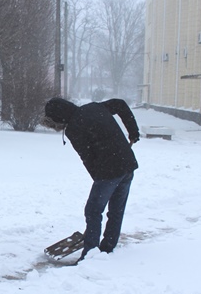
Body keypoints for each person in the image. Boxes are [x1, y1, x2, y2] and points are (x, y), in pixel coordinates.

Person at [43, 97, 140, 262]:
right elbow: (120, 104)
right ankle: (108, 248)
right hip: (127, 164)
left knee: (93, 211)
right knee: (116, 210)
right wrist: (133, 132)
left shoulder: (73, 129)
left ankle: (90, 254)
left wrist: (99, 179)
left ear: (60, 117)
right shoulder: (95, 107)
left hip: (109, 171)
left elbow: (87, 157)